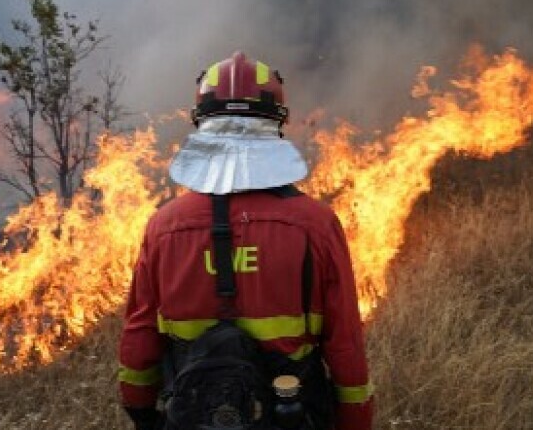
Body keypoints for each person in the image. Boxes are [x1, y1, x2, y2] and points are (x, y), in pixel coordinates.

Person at [118, 51, 374, 430]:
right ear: (277, 124)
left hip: (192, 415)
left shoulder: (163, 227)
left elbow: (139, 341)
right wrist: (356, 421)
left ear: (201, 123)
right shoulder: (315, 225)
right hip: (293, 414)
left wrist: (142, 414)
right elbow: (345, 344)